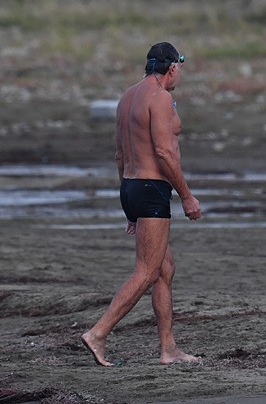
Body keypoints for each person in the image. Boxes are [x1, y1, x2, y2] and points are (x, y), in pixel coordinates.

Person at [81, 41, 203, 365]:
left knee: (165, 269)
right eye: (180, 66)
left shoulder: (127, 97)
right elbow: (163, 152)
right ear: (173, 67)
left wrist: (128, 206)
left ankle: (169, 349)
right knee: (147, 271)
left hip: (132, 187)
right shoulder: (160, 98)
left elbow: (120, 154)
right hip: (151, 189)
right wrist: (187, 196)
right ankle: (98, 333)